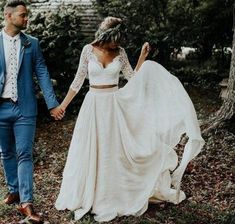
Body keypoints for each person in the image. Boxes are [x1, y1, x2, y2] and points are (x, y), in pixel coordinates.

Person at [55, 16, 205, 222]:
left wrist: (142, 58)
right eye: (115, 38)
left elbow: (133, 79)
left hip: (115, 105)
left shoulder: (121, 52)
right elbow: (77, 81)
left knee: (113, 151)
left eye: (120, 39)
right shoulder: (87, 50)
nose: (118, 43)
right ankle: (91, 191)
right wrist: (62, 106)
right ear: (106, 35)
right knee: (92, 148)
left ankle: (114, 192)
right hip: (93, 106)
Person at [0, 0, 64, 223]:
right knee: (6, 152)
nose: (27, 18)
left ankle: (26, 202)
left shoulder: (32, 44)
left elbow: (43, 73)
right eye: (23, 15)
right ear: (8, 16)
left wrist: (52, 104)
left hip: (25, 108)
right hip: (1, 108)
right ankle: (14, 190)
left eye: (27, 15)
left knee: (24, 154)